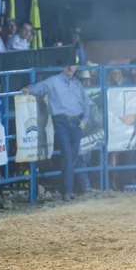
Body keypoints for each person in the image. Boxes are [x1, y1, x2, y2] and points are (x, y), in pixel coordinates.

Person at [22, 62, 91, 201]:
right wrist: (29, 89)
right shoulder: (54, 81)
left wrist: (85, 119)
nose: (70, 68)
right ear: (63, 67)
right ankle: (67, 190)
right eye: (68, 65)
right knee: (68, 154)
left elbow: (86, 103)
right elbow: (40, 88)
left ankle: (65, 188)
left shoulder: (76, 83)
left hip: (76, 122)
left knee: (71, 156)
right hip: (62, 122)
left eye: (73, 66)